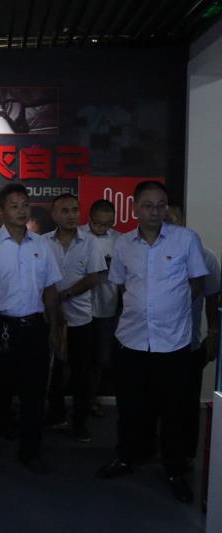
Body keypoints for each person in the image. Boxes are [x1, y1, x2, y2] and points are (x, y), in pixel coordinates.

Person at [96, 181, 208, 504]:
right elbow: (121, 286)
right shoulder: (123, 244)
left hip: (172, 343)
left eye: (161, 205)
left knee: (173, 411)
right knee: (130, 407)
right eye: (148, 205)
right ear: (134, 208)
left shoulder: (186, 239)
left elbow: (197, 284)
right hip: (131, 341)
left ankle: (175, 469)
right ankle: (126, 457)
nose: (155, 211)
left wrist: (169, 309)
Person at [0, 183, 63, 475]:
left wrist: (53, 329)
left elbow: (50, 289)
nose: (22, 210)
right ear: (1, 211)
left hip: (34, 327)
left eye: (25, 205)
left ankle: (30, 452)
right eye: (14, 206)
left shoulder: (42, 245)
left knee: (34, 396)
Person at [43, 194, 106, 443]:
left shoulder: (90, 242)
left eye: (74, 210)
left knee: (81, 374)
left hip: (80, 319)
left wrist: (65, 295)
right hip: (49, 318)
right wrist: (52, 302)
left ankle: (80, 422)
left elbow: (93, 278)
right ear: (54, 215)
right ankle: (55, 415)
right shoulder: (42, 242)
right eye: (65, 211)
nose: (71, 215)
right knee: (53, 372)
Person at [164, 206, 220, 467]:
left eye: (171, 219)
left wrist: (213, 333)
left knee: (186, 405)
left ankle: (184, 454)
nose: (166, 223)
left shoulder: (205, 256)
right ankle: (146, 448)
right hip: (150, 345)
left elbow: (213, 299)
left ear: (183, 222)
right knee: (151, 401)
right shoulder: (142, 252)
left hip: (188, 343)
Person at [79, 199, 119, 418]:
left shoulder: (120, 240)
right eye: (98, 223)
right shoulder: (77, 235)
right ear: (90, 218)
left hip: (106, 305)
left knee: (101, 358)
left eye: (107, 224)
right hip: (77, 306)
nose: (102, 228)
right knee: (76, 358)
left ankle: (91, 399)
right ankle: (77, 402)